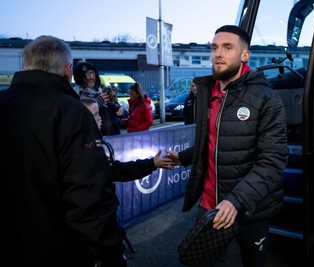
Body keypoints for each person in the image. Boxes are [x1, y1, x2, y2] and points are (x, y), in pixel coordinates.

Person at [166, 25, 288, 267]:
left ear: (245, 55)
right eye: (214, 48)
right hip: (209, 207)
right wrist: (182, 157)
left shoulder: (266, 99)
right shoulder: (205, 92)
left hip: (249, 209)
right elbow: (212, 142)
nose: (217, 53)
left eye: (227, 47)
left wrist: (235, 200)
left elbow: (272, 161)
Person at [0, 36, 127, 266]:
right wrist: (110, 253)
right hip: (57, 250)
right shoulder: (71, 111)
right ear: (68, 70)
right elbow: (88, 195)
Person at [80, 90, 174, 180]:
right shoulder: (80, 149)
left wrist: (152, 163)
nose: (100, 118)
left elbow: (117, 170)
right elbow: (117, 171)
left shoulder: (94, 142)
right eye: (95, 114)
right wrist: (152, 164)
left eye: (99, 113)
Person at [73, 59, 123, 136]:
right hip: (94, 138)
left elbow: (116, 113)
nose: (91, 77)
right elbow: (78, 116)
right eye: (88, 74)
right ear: (80, 76)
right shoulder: (76, 93)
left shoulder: (101, 90)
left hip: (113, 135)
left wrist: (118, 108)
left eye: (93, 73)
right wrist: (96, 103)